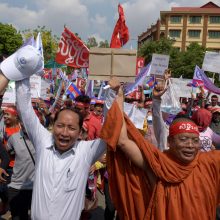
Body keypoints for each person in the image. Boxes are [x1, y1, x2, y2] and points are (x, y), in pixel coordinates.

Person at [0, 45, 116, 220]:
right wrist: (22, 68)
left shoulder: (86, 151)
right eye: (60, 126)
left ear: (79, 132)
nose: (64, 132)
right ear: (52, 126)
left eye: (71, 128)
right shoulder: (43, 141)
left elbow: (110, 131)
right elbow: (24, 108)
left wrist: (113, 93)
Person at [100, 81, 220, 220]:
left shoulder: (209, 162)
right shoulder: (159, 164)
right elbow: (123, 141)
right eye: (183, 139)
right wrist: (119, 96)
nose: (190, 145)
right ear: (170, 142)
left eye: (194, 140)